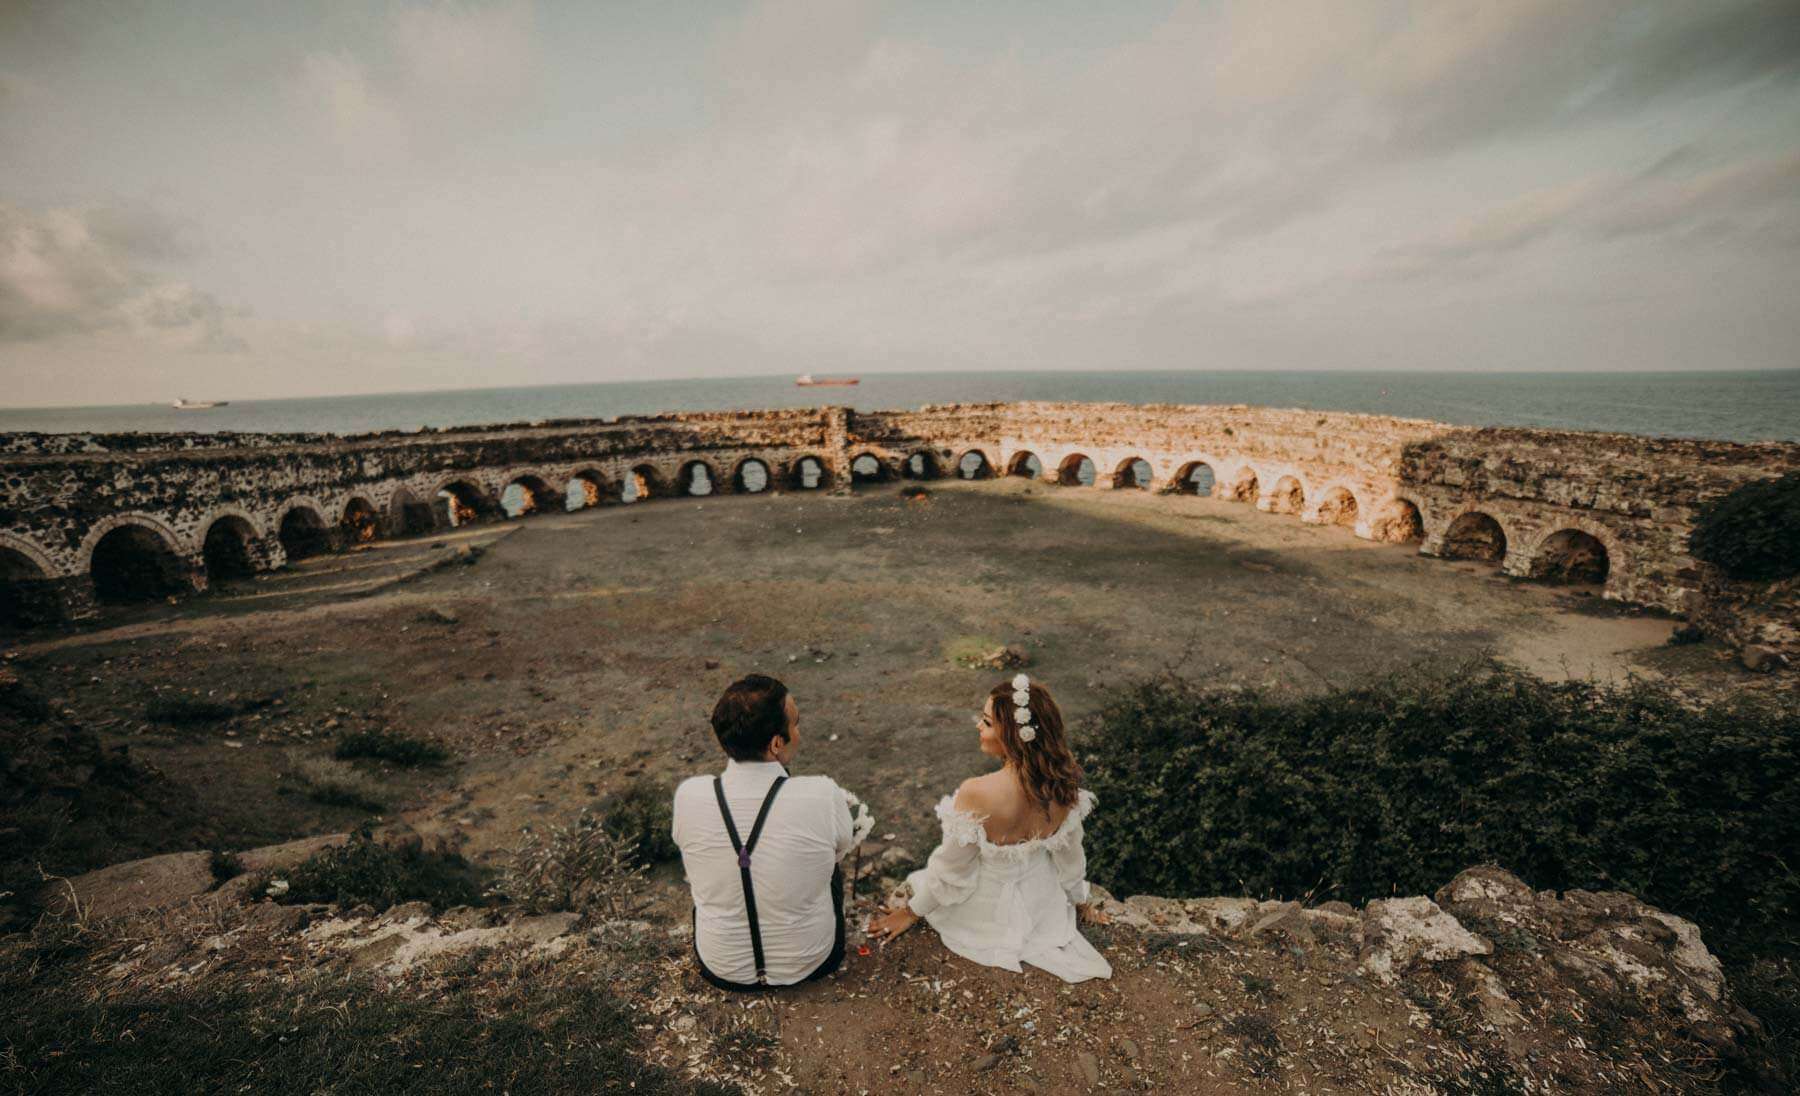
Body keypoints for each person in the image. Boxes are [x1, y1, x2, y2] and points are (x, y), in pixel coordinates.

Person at [865, 674, 1112, 983]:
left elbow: (952, 871)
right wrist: (1079, 901)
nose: (978, 727)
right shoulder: (1063, 785)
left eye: (987, 722)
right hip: (1042, 905)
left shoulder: (978, 792)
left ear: (1011, 735)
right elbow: (1070, 858)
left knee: (923, 879)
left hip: (985, 913)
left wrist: (911, 912)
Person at [672, 674, 857, 990]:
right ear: (776, 743)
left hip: (720, 968)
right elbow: (840, 849)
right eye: (795, 724)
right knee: (828, 866)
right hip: (814, 961)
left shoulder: (689, 794)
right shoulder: (822, 793)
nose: (799, 732)